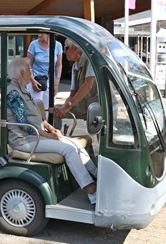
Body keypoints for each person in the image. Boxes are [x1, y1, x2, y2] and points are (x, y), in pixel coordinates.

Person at [6, 57, 98, 204]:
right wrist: (49, 135)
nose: (33, 72)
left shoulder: (23, 90)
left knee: (77, 145)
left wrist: (53, 129)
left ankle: (97, 176)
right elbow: (24, 123)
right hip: (25, 140)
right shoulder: (13, 93)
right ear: (23, 73)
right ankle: (90, 189)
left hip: (37, 136)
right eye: (30, 70)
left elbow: (38, 118)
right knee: (69, 149)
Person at [53, 39, 98, 128]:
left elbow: (88, 85)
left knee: (100, 133)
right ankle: (57, 137)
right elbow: (72, 94)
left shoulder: (90, 61)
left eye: (66, 48)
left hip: (97, 105)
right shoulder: (75, 66)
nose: (64, 52)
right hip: (83, 106)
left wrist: (68, 107)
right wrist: (62, 109)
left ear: (76, 48)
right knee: (54, 112)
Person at [27, 34, 63, 115]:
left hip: (50, 80)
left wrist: (57, 82)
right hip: (36, 79)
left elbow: (59, 65)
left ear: (48, 34)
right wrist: (32, 80)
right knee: (35, 108)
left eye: (41, 33)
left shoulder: (58, 45)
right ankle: (36, 126)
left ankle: (46, 126)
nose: (39, 35)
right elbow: (28, 63)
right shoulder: (34, 44)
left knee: (48, 109)